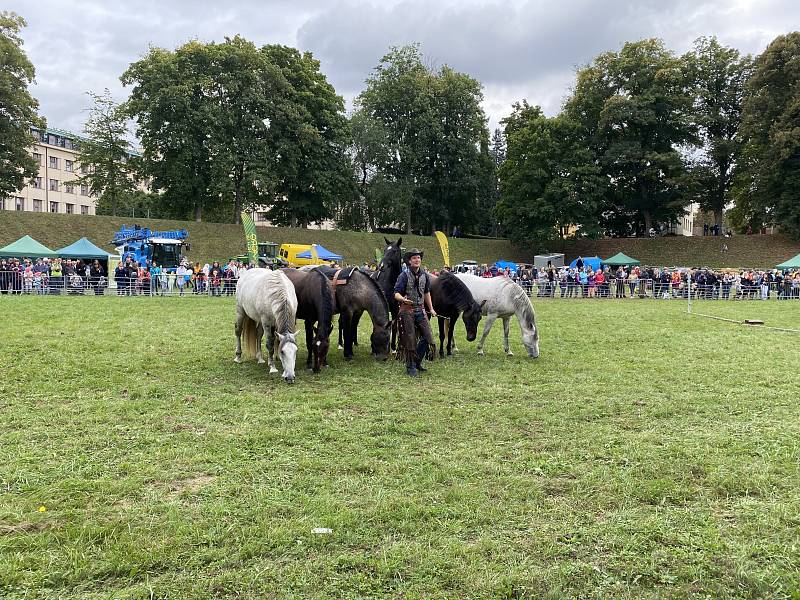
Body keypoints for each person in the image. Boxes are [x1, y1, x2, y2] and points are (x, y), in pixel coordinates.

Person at [393, 248, 437, 377]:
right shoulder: (403, 275)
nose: (417, 260)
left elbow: (426, 292)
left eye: (418, 258)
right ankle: (410, 366)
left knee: (428, 338)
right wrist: (403, 299)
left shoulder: (425, 275)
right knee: (410, 338)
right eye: (414, 258)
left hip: (421, 310)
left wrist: (432, 308)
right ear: (409, 261)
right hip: (406, 311)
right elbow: (396, 293)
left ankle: (416, 361)